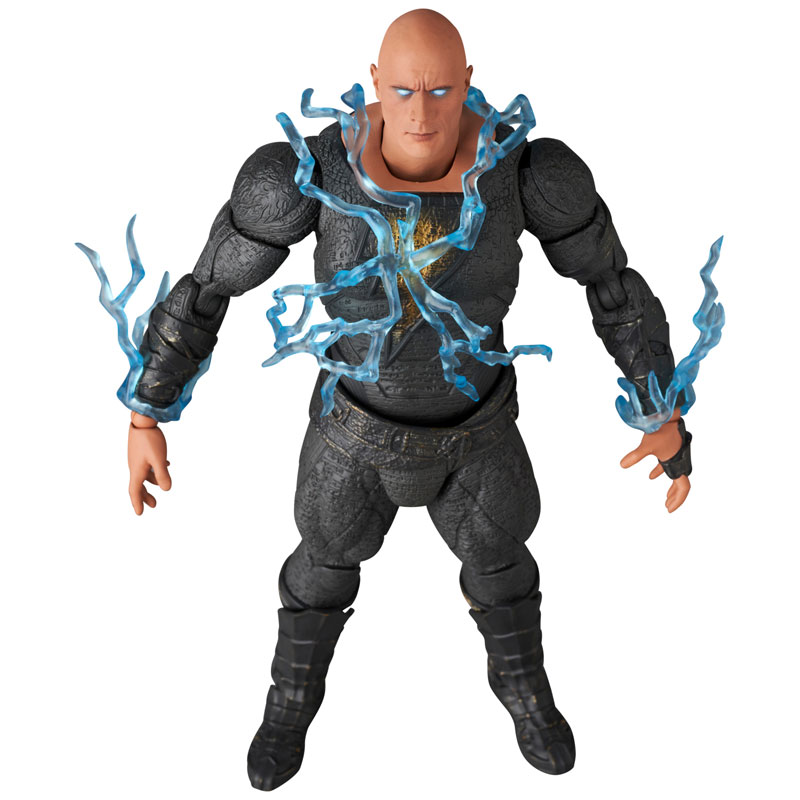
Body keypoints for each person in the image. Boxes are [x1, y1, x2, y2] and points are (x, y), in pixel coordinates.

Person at [125, 9, 692, 792]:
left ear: (468, 83)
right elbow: (208, 288)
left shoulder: (526, 173)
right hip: (352, 435)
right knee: (321, 567)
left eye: (439, 91)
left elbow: (613, 286)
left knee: (501, 565)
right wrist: (146, 411)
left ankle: (524, 691)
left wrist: (662, 407)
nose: (421, 113)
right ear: (374, 84)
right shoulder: (309, 175)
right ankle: (290, 703)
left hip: (478, 436)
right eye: (402, 91)